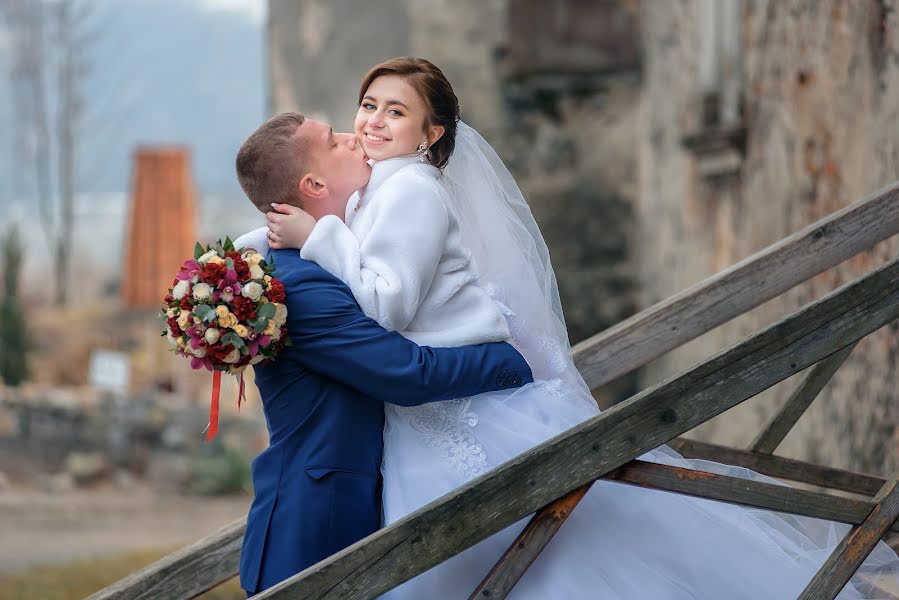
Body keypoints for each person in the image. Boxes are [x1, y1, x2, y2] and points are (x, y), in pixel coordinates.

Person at [263, 58, 899, 598]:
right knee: (501, 558)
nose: (372, 120)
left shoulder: (412, 192)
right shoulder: (374, 191)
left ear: (431, 132)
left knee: (541, 549)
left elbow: (388, 306)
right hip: (427, 419)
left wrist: (316, 237)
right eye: (368, 104)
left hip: (458, 406)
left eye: (395, 111)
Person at [231, 112, 533, 596]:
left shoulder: (315, 257)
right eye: (334, 141)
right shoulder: (301, 285)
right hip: (315, 527)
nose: (355, 138)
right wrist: (506, 362)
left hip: (334, 514)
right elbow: (405, 374)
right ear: (312, 182)